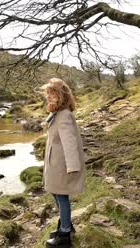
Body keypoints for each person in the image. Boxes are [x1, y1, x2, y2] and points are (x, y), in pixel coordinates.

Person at [41, 78, 85, 248]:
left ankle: (65, 234)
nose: (49, 98)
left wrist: (73, 167)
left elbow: (70, 143)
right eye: (48, 95)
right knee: (55, 193)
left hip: (61, 165)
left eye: (52, 94)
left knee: (61, 196)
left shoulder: (64, 115)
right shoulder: (58, 113)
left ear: (61, 96)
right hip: (55, 163)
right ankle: (65, 224)